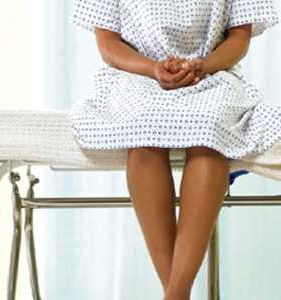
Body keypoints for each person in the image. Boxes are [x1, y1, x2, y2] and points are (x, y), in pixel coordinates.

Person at [68, 1, 280, 299]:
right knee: (142, 127)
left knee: (210, 129)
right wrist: (153, 68)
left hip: (212, 74)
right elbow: (108, 44)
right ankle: (178, 293)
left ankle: (175, 293)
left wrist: (203, 65)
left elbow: (239, 38)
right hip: (136, 75)